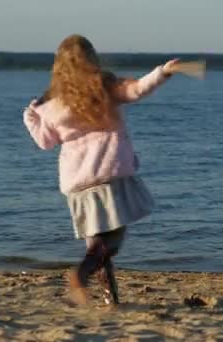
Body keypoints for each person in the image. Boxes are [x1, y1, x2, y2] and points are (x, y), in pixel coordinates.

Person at [22, 34, 180, 305]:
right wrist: (163, 72)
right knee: (112, 241)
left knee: (96, 245)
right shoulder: (103, 85)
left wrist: (30, 117)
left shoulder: (52, 102)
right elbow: (137, 90)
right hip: (108, 173)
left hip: (78, 181)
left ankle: (110, 300)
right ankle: (80, 275)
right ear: (91, 58)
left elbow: (45, 142)